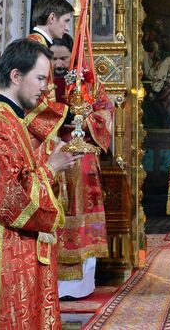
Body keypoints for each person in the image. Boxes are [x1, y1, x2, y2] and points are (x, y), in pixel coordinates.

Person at [0, 39, 82, 330]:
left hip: (15, 246)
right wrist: (51, 168)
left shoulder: (13, 120)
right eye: (39, 78)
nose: (44, 88)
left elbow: (22, 174)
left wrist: (48, 162)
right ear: (15, 76)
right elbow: (9, 198)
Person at [48, 37, 114, 299]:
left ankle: (79, 285)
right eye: (55, 58)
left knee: (81, 216)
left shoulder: (91, 82)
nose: (60, 63)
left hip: (82, 160)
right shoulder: (42, 80)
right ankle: (51, 281)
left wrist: (84, 121)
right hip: (51, 155)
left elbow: (106, 113)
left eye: (65, 58)